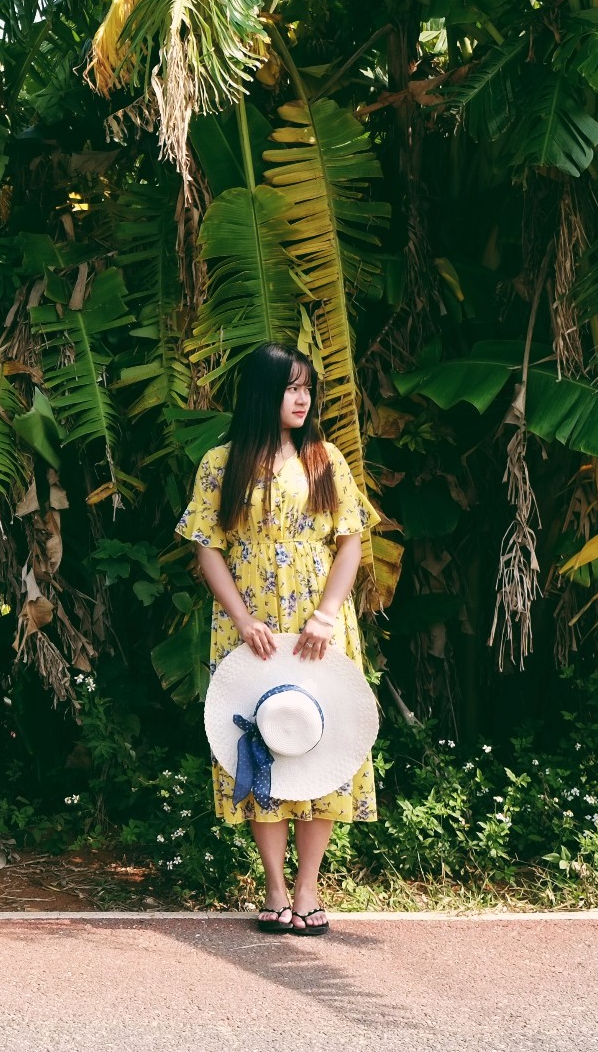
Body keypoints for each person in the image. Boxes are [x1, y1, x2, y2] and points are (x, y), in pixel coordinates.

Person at [175, 342, 376, 935]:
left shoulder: (325, 459)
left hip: (318, 625)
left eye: (307, 388)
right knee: (261, 745)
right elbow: (206, 546)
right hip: (253, 629)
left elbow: (351, 540)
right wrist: (241, 620)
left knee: (320, 746)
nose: (302, 398)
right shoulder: (221, 463)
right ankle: (274, 886)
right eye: (290, 387)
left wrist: (327, 613)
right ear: (262, 393)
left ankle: (310, 888)